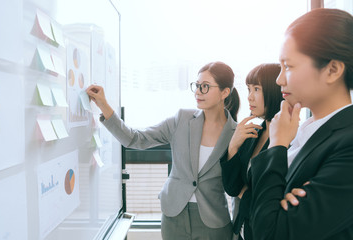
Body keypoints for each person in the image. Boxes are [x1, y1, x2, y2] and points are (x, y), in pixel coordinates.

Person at [86, 61, 240, 240]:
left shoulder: (235, 133)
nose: (198, 92)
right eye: (197, 86)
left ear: (225, 92)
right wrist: (104, 105)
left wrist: (236, 232)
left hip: (214, 222)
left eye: (205, 87)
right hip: (175, 215)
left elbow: (238, 188)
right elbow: (135, 139)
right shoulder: (181, 119)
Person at [248, 8, 353, 240]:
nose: (279, 79)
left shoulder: (348, 143)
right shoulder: (303, 129)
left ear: (333, 70)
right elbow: (258, 214)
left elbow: (270, 233)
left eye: (289, 66)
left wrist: (277, 145)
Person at [220, 63, 283, 240]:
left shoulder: (289, 140)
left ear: (274, 91)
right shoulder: (253, 133)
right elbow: (232, 188)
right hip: (245, 230)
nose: (249, 97)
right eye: (248, 89)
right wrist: (233, 146)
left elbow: (271, 199)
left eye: (256, 89)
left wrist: (245, 193)